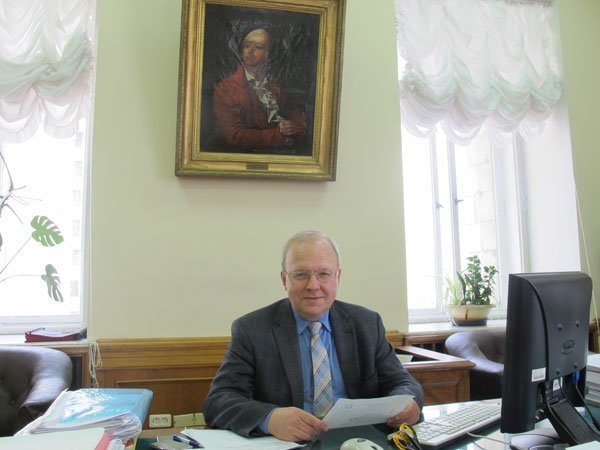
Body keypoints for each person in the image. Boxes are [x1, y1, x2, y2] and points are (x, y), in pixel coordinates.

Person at [203, 230, 424, 442]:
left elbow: (402, 382)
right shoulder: (252, 330)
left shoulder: (366, 324)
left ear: (338, 277)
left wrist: (409, 404)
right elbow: (219, 401)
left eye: (324, 274)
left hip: (357, 441)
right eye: (301, 275)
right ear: (284, 280)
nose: (313, 285)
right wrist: (270, 419)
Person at [208, 27, 308, 151]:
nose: (250, 51)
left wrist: (297, 126)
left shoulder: (275, 84)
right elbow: (236, 136)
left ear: (269, 54)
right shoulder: (226, 88)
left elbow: (294, 111)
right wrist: (281, 135)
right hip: (235, 154)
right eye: (246, 46)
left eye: (258, 47)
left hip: (271, 152)